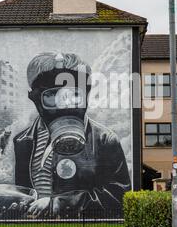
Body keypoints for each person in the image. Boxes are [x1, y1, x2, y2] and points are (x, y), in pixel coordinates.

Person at [11, 52, 131, 217]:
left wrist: (59, 204)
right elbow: (22, 192)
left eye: (74, 94)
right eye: (52, 95)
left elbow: (119, 195)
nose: (64, 104)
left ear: (86, 96)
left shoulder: (104, 140)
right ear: (35, 98)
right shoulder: (23, 141)